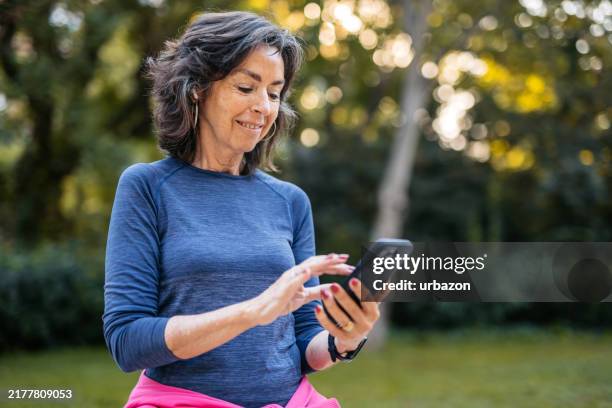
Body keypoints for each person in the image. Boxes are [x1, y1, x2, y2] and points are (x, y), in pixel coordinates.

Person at [103, 11, 381, 408]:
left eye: (273, 92)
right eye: (247, 87)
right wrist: (252, 311)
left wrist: (344, 339)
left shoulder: (289, 201)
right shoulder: (147, 187)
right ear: (197, 88)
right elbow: (127, 341)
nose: (263, 107)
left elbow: (303, 344)